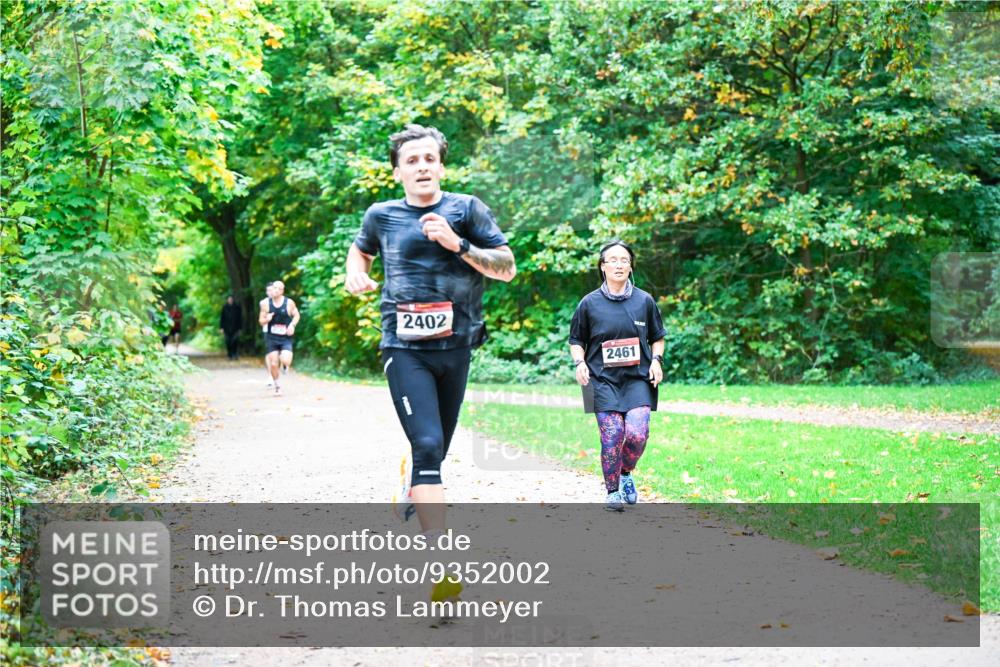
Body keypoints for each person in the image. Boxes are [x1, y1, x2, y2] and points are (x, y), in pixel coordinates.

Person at [344, 123, 516, 565]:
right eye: (411, 161)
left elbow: (507, 268)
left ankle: (412, 481)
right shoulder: (381, 215)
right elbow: (361, 249)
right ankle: (440, 561)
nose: (421, 167)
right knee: (426, 446)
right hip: (403, 347)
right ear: (397, 172)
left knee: (436, 448)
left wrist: (458, 244)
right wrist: (355, 272)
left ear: (441, 165)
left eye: (428, 159)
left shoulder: (467, 210)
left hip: (457, 346)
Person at [569, 241, 666, 511]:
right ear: (603, 267)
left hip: (637, 380)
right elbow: (576, 340)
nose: (619, 264)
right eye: (613, 260)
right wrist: (579, 363)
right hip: (602, 381)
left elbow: (657, 337)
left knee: (637, 434)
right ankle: (612, 492)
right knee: (612, 436)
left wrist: (657, 360)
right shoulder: (589, 303)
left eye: (624, 260)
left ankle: (625, 474)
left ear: (631, 265)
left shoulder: (644, 300)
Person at [258, 280, 300, 396]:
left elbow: (296, 315)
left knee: (285, 360)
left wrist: (292, 325)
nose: (275, 291)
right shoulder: (266, 304)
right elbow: (261, 321)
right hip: (272, 337)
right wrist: (267, 319)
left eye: (278, 289)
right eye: (273, 288)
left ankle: (285, 364)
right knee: (273, 363)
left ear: (282, 291)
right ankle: (277, 386)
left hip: (285, 337)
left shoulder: (289, 303)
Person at [219, 295, 243, 360]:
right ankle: (229, 355)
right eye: (229, 299)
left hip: (235, 328)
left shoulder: (237, 307)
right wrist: (221, 328)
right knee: (228, 342)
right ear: (227, 300)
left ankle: (235, 354)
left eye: (231, 299)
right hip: (226, 328)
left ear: (233, 300)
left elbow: (240, 318)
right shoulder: (224, 307)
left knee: (235, 341)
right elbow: (222, 318)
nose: (230, 300)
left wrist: (240, 328)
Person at [260, 283, 274, 386]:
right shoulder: (263, 303)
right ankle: (270, 376)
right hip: (267, 330)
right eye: (268, 290)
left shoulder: (284, 301)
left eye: (272, 290)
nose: (270, 292)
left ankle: (281, 366)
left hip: (280, 331)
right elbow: (261, 319)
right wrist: (266, 319)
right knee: (269, 353)